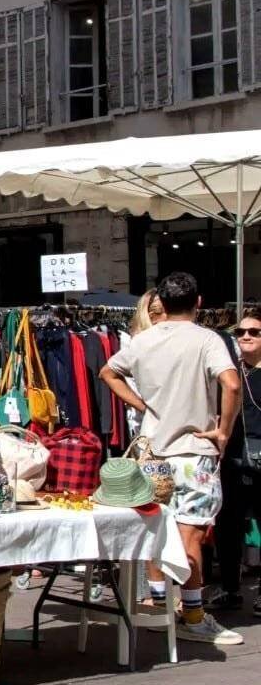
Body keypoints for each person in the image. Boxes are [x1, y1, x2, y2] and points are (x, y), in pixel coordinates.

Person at [100, 272, 243, 646]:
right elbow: (231, 383)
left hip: (152, 452)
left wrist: (141, 405)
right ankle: (192, 616)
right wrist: (223, 430)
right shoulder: (207, 339)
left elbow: (107, 372)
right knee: (189, 535)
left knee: (155, 530)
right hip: (193, 453)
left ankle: (159, 604)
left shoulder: (143, 341)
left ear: (161, 302)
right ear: (198, 303)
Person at [213, 308, 261, 614]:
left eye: (254, 332)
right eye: (240, 332)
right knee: (227, 524)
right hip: (232, 457)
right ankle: (230, 589)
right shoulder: (230, 372)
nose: (245, 336)